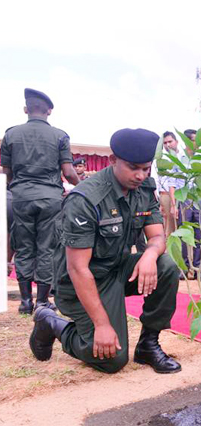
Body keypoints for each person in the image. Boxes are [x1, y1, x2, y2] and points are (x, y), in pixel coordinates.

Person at [28, 128, 181, 374]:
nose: (141, 175)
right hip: (82, 283)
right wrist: (101, 325)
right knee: (111, 359)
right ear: (112, 161)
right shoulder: (86, 199)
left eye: (146, 168)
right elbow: (77, 268)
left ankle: (148, 345)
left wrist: (150, 255)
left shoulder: (143, 189)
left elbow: (157, 237)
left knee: (166, 267)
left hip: (116, 270)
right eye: (133, 168)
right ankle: (52, 323)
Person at [1, 88, 79, 314]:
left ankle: (26, 302)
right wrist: (83, 187)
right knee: (47, 248)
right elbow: (68, 171)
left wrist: (20, 189)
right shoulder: (60, 136)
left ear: (26, 109)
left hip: (21, 197)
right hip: (51, 199)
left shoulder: (11, 134)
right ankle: (43, 302)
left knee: (24, 247)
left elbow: (6, 172)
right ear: (49, 111)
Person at [178, 128, 201, 282]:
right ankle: (183, 268)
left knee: (199, 235)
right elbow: (175, 181)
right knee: (183, 235)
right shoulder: (179, 158)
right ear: (188, 141)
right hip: (184, 198)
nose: (197, 143)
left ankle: (198, 269)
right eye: (194, 140)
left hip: (200, 199)